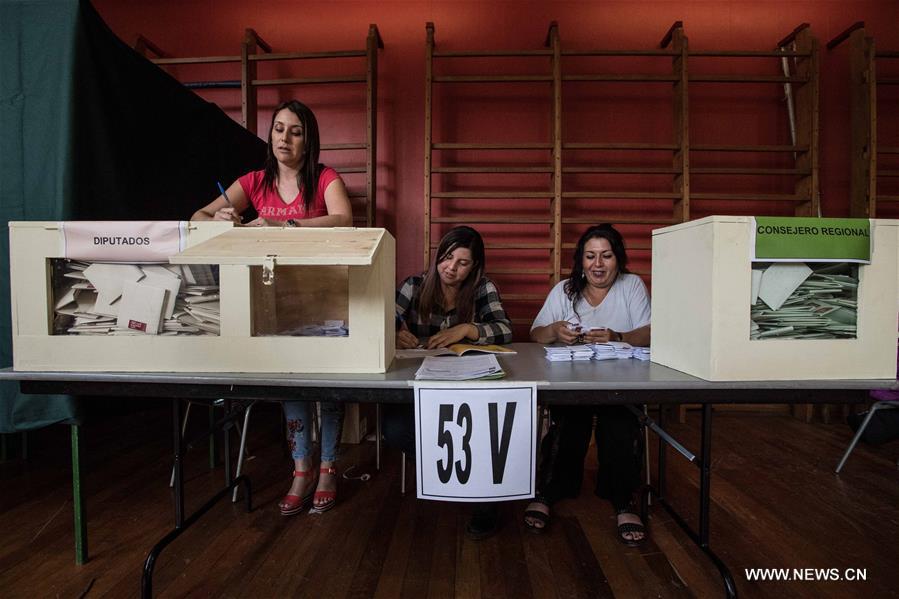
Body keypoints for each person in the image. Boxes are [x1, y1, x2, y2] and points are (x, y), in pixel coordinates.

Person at [192, 100, 353, 515]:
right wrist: (220, 218)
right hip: (274, 301)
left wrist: (285, 225)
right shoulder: (254, 181)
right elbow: (199, 215)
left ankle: (329, 467)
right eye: (279, 129)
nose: (285, 137)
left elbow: (344, 220)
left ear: (308, 139)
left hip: (326, 297)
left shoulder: (324, 178)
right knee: (291, 386)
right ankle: (302, 470)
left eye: (295, 131)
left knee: (330, 388)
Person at [383, 225, 513, 539]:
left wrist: (467, 329)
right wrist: (392, 330)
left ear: (474, 268)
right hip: (419, 387)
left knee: (483, 430)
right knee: (396, 430)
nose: (451, 267)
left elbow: (505, 330)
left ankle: (481, 497)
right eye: (447, 257)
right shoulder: (414, 285)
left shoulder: (482, 288)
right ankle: (452, 471)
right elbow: (381, 317)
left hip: (468, 389)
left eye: (462, 263)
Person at [525, 224, 651, 545]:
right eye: (590, 256)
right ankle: (549, 491)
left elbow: (650, 331)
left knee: (620, 423)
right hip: (572, 380)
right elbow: (535, 334)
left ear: (618, 259)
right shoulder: (565, 289)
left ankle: (623, 499)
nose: (598, 264)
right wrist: (554, 330)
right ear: (580, 261)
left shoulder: (631, 285)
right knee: (568, 421)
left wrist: (618, 336)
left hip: (623, 381)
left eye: (606, 256)